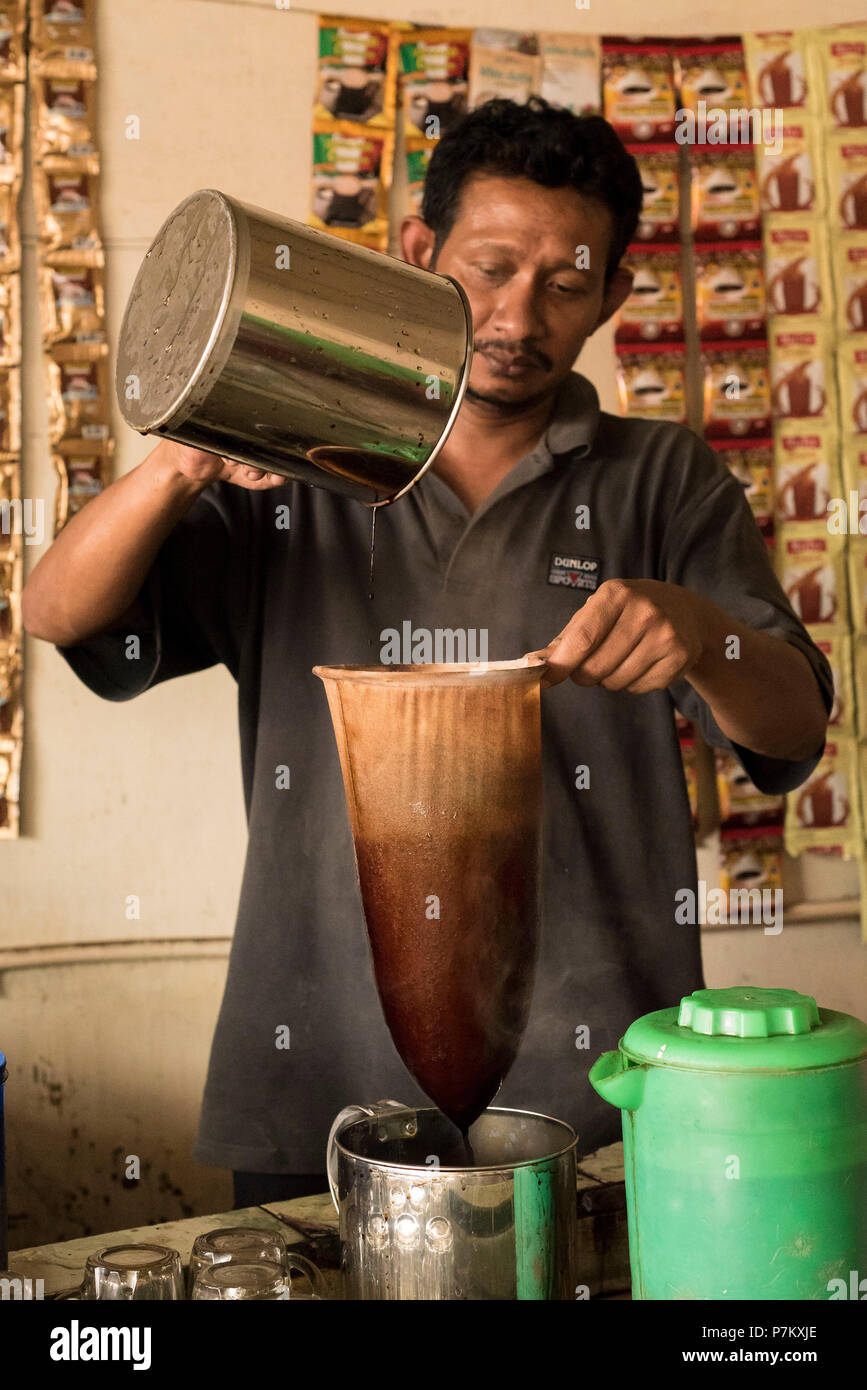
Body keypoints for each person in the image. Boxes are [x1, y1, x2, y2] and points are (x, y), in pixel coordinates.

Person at [22, 98, 831, 1206]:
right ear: (419, 255)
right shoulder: (300, 466)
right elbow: (55, 610)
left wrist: (701, 632)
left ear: (613, 296)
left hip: (600, 1092)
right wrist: (177, 461)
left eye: (565, 282)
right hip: (314, 1084)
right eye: (489, 268)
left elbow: (793, 724)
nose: (517, 314)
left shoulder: (662, 478)